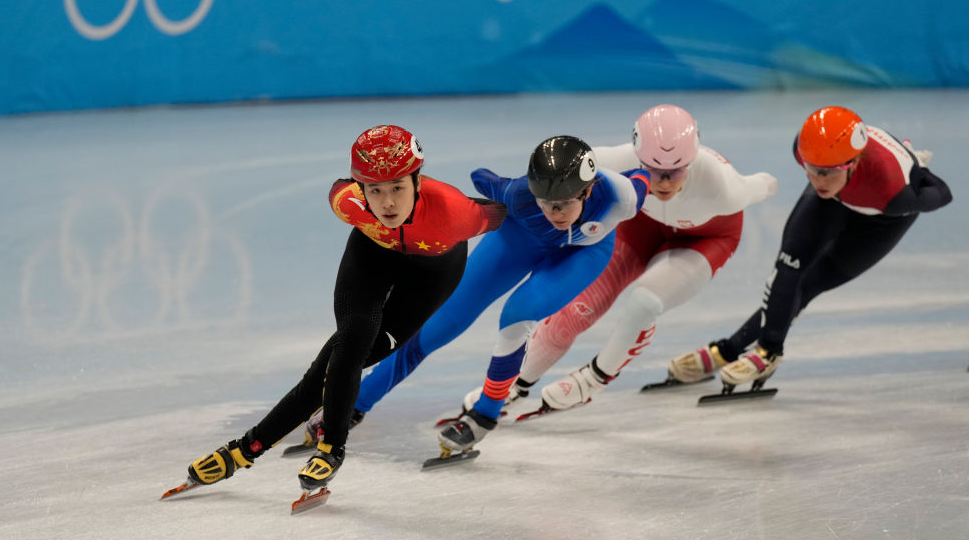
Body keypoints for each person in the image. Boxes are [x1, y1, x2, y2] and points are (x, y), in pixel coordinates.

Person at [177, 125, 506, 493]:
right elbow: (344, 189)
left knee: (345, 360)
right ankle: (328, 447)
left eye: (398, 188)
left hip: (433, 272)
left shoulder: (454, 211)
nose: (388, 204)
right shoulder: (346, 202)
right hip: (373, 253)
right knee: (348, 346)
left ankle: (245, 450)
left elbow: (500, 212)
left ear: (418, 181)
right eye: (375, 191)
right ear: (361, 189)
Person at [354, 135, 649, 456]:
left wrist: (651, 170)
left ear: (588, 190)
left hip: (581, 255)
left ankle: (485, 414)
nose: (555, 212)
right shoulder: (519, 195)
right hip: (520, 237)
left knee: (517, 314)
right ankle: (357, 401)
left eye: (564, 203)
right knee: (442, 319)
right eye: (546, 203)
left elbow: (643, 176)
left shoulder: (620, 198)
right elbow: (486, 181)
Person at [494, 104, 777, 412]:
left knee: (644, 303)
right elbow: (550, 174)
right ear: (637, 156)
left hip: (706, 238)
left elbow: (765, 183)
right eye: (652, 171)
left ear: (692, 161)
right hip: (642, 226)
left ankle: (594, 379)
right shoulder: (615, 160)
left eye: (675, 172)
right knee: (576, 311)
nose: (664, 182)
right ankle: (513, 385)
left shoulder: (725, 186)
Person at [667, 105, 952, 391]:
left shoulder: (895, 193)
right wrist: (825, 174)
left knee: (811, 283)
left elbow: (943, 193)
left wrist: (919, 170)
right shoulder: (810, 156)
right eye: (811, 170)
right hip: (836, 199)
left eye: (827, 173)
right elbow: (822, 173)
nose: (817, 180)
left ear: (852, 163)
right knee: (788, 269)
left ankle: (756, 353)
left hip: (882, 220)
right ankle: (745, 351)